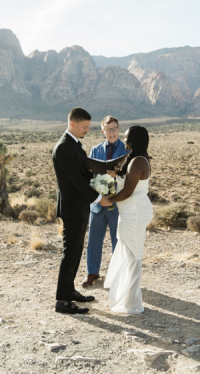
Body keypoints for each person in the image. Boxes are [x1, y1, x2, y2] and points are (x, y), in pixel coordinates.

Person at [51, 107, 105, 315]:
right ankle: (62, 300)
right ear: (72, 124)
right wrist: (100, 198)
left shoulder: (74, 145)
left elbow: (85, 173)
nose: (87, 130)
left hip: (79, 207)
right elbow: (77, 181)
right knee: (69, 253)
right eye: (84, 127)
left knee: (75, 252)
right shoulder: (64, 147)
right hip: (72, 208)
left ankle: (70, 291)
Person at [100, 126, 154, 314]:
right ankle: (129, 297)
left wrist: (108, 200)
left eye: (127, 137)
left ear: (136, 139)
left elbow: (128, 191)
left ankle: (131, 302)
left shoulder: (139, 161)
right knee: (130, 252)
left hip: (135, 211)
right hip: (130, 211)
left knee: (133, 254)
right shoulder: (133, 159)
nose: (124, 140)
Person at [81, 116, 126, 288]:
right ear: (103, 131)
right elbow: (90, 175)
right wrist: (99, 198)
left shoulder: (125, 150)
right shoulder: (95, 150)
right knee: (94, 240)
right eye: (108, 129)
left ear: (119, 129)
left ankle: (118, 275)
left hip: (117, 203)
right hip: (98, 203)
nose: (111, 132)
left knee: (118, 241)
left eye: (114, 129)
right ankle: (92, 273)